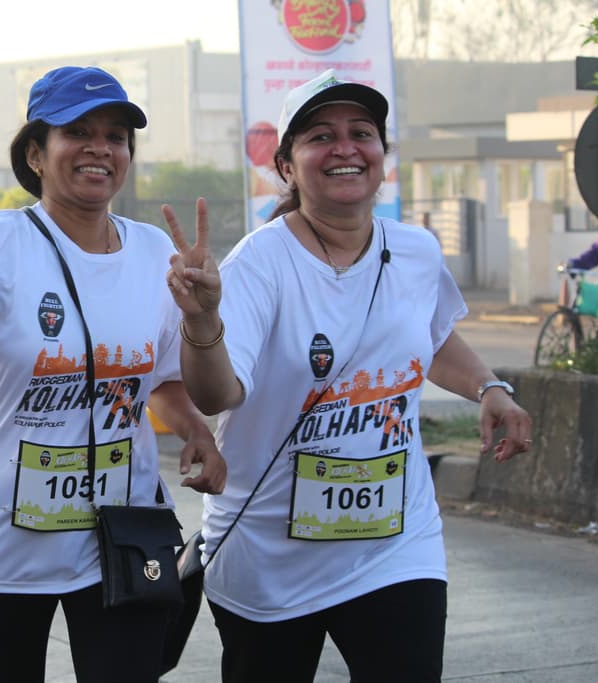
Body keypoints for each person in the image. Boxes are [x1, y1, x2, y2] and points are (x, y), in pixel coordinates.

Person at [163, 69, 533, 682]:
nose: (344, 147)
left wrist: (489, 387)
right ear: (286, 165)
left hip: (395, 543)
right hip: (269, 551)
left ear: (381, 157)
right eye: (319, 136)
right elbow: (216, 392)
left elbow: (432, 335)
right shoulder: (260, 262)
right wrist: (202, 321)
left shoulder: (414, 251)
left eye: (361, 133)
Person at [0, 65, 227, 683]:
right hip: (0, 542)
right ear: (35, 153)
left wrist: (195, 427)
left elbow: (157, 378)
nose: (100, 148)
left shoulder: (153, 256)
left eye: (116, 136)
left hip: (124, 532)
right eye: (77, 132)